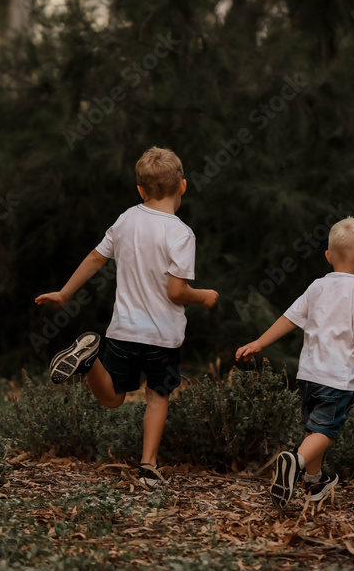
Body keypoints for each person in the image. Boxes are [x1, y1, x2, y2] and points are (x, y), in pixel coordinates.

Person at [35, 147, 219, 487]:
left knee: (113, 398)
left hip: (123, 331)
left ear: (140, 190)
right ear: (183, 186)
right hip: (162, 336)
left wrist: (64, 292)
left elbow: (95, 256)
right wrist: (203, 296)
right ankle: (148, 465)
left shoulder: (126, 220)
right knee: (157, 396)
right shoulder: (180, 233)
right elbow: (177, 292)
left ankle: (90, 362)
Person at [235, 217, 354, 509]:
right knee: (326, 432)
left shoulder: (317, 286)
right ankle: (297, 461)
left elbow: (289, 319)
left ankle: (315, 483)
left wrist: (259, 343)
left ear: (328, 256)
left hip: (309, 375)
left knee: (314, 430)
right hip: (338, 378)